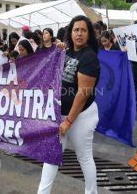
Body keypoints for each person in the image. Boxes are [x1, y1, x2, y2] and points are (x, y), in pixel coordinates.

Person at [38, 15, 100, 194]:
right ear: (70, 33)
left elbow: (83, 93)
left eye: (83, 30)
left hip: (81, 116)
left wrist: (68, 122)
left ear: (89, 34)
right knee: (51, 156)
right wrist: (59, 51)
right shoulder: (67, 51)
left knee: (84, 157)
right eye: (76, 30)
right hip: (61, 113)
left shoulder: (89, 58)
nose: (79, 34)